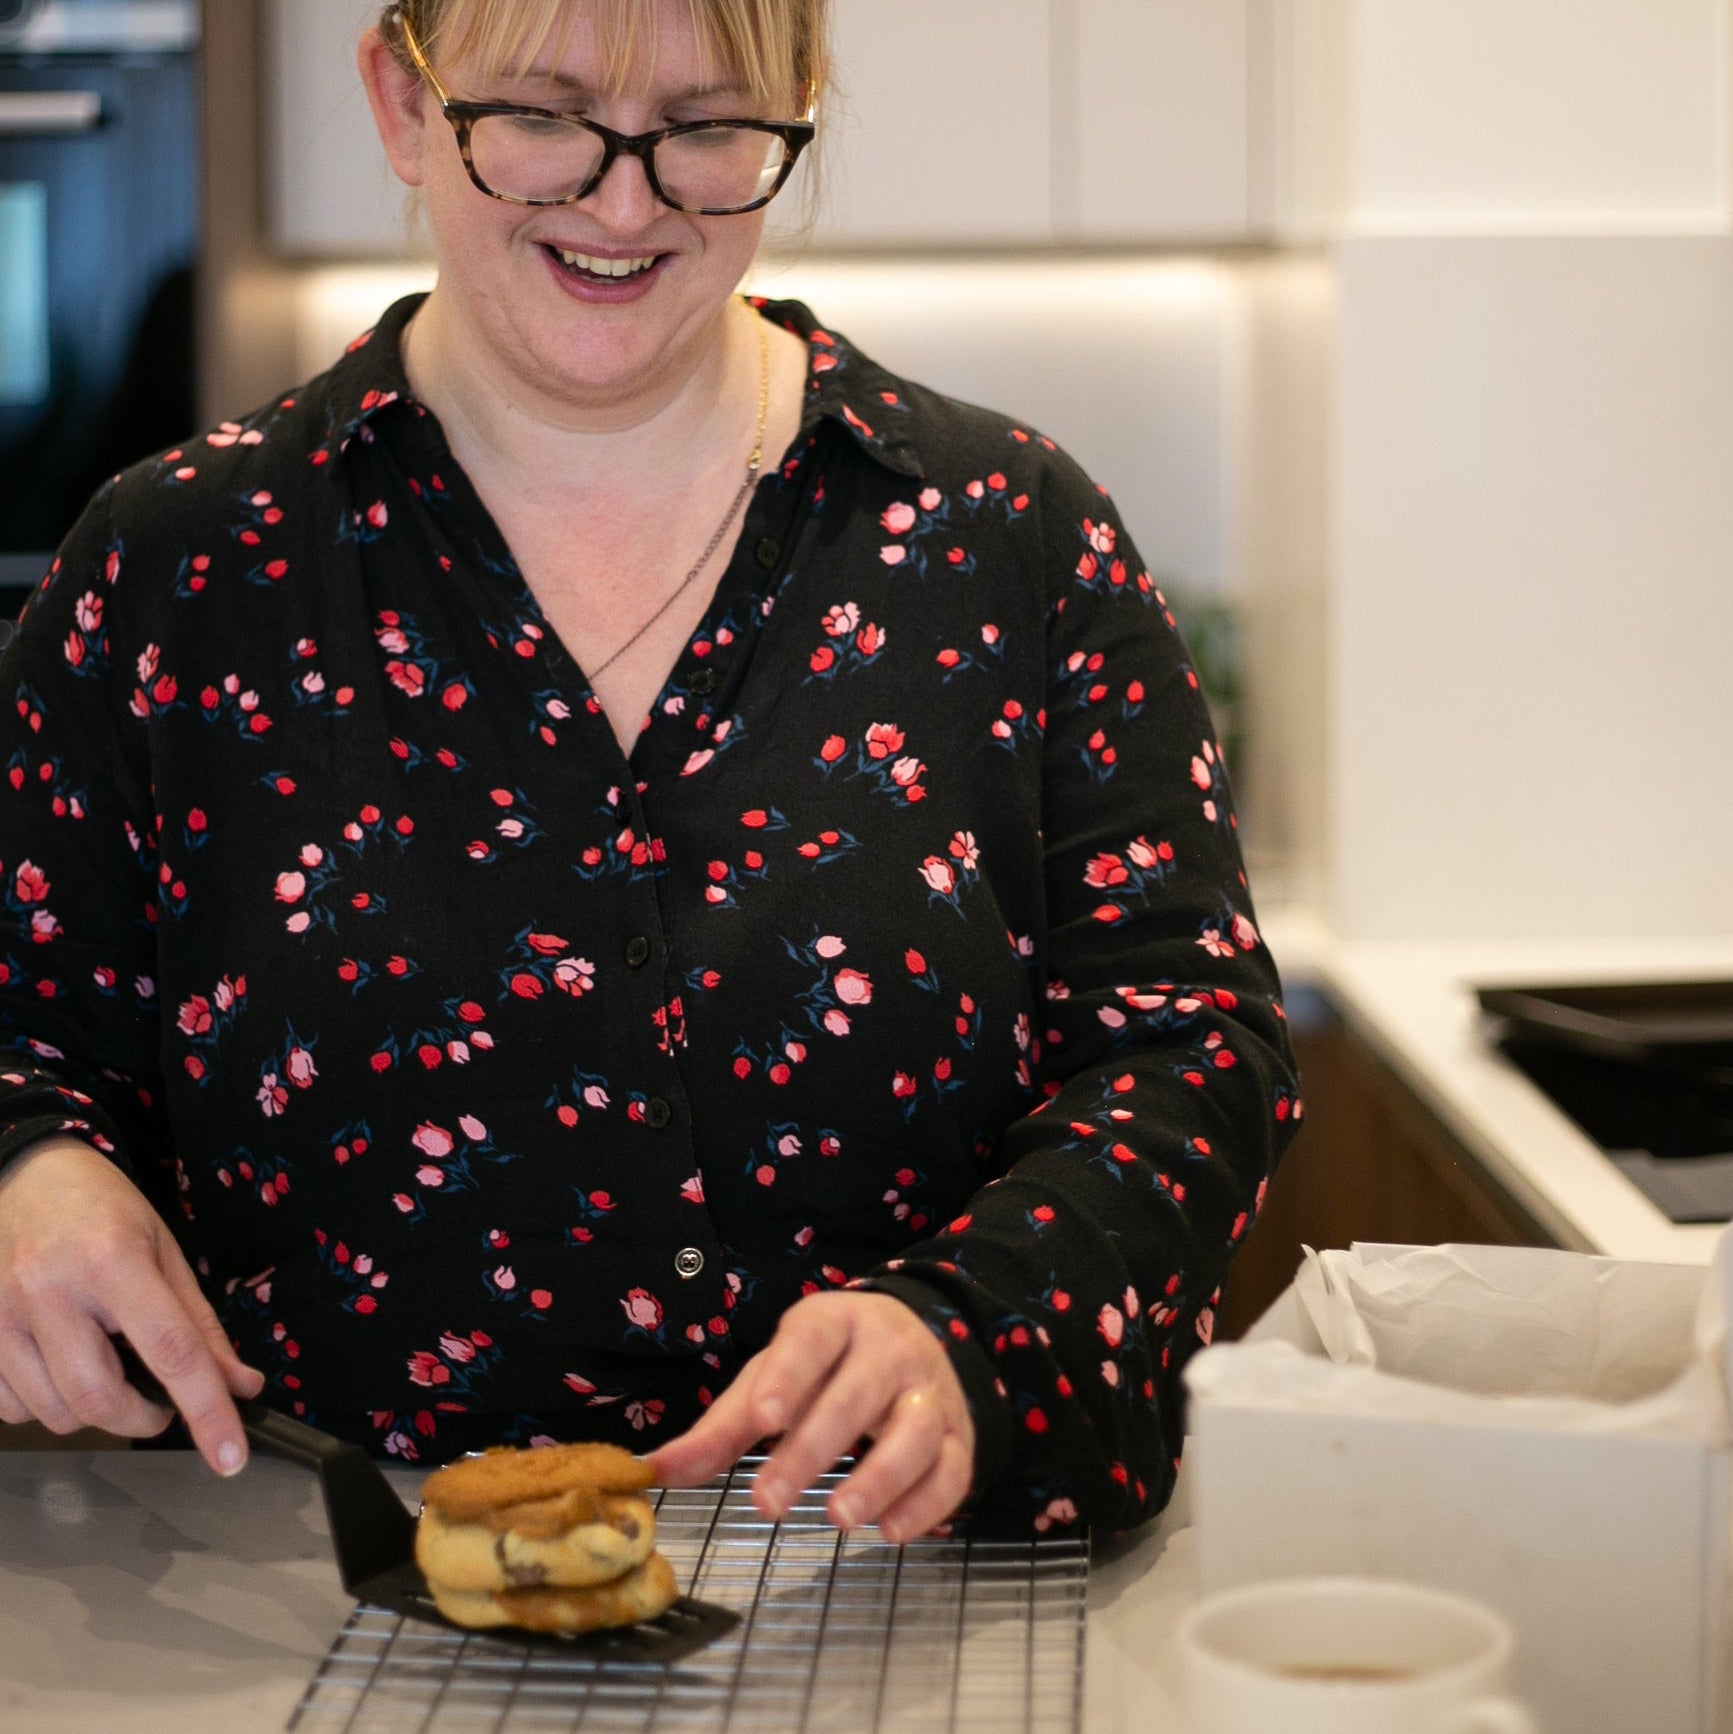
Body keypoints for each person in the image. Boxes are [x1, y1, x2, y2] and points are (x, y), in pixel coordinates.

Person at [0, 0, 1300, 1539]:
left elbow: (1192, 1041)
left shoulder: (1008, 534)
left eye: (703, 126)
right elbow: (26, 1034)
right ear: (402, 102)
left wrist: (979, 1320)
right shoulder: (176, 568)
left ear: (795, 103)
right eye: (541, 116)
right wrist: (30, 1169)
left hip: (895, 1566)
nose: (624, 202)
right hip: (304, 1576)